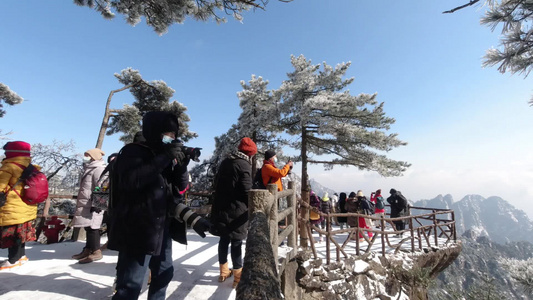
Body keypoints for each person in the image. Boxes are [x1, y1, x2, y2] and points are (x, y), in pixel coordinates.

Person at [108, 111, 212, 300]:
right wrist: (165, 158)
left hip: (161, 230)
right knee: (130, 286)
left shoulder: (162, 155)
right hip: (136, 231)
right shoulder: (132, 152)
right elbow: (133, 182)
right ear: (154, 131)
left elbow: (178, 190)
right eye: (167, 133)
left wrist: (180, 165)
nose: (171, 138)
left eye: (173, 134)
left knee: (164, 274)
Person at [211, 137, 257, 288]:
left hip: (221, 208)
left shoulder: (226, 161)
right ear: (249, 153)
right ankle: (238, 277)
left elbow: (216, 182)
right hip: (236, 211)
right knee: (236, 242)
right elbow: (246, 191)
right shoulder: (243, 164)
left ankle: (223, 273)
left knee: (224, 240)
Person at [0, 141, 37, 270]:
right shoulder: (31, 167)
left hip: (12, 208)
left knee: (13, 235)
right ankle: (21, 257)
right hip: (27, 206)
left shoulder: (9, 167)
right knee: (20, 233)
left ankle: (13, 260)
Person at [71, 148, 106, 264]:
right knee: (88, 226)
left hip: (93, 204)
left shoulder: (99, 169)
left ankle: (96, 251)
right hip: (86, 202)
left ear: (93, 157)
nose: (85, 158)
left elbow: (102, 187)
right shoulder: (90, 168)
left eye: (87, 156)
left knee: (93, 227)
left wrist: (98, 204)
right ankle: (88, 249)